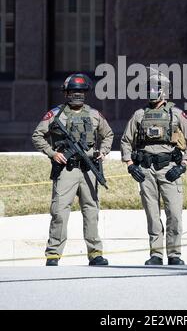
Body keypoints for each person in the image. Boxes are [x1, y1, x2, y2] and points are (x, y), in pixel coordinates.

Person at [32, 73, 114, 266]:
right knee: (60, 212)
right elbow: (38, 135)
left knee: (91, 211)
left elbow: (108, 134)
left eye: (81, 91)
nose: (77, 94)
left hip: (88, 169)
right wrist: (52, 153)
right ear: (66, 93)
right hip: (65, 170)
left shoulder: (94, 114)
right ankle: (53, 255)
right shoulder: (55, 114)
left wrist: (102, 151)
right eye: (73, 91)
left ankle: (95, 254)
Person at [120, 69, 187, 266]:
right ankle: (155, 254)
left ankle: (174, 254)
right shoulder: (139, 115)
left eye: (155, 88)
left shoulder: (177, 114)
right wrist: (130, 165)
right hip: (145, 170)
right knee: (152, 214)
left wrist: (183, 165)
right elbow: (126, 141)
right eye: (149, 88)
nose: (152, 91)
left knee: (174, 213)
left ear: (165, 91)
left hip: (169, 169)